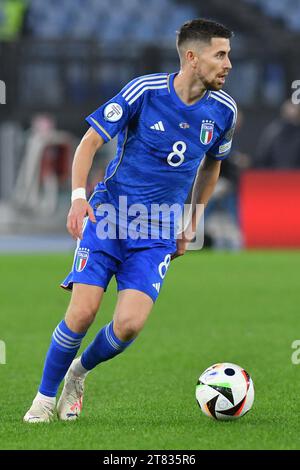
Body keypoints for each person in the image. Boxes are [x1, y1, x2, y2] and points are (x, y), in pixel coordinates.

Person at [23, 18, 237, 423]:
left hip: (158, 230)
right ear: (192, 58)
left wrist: (192, 220)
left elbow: (212, 167)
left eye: (228, 54)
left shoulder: (223, 111)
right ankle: (44, 399)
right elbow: (89, 142)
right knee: (83, 312)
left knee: (128, 326)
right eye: (220, 54)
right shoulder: (145, 91)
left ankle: (77, 373)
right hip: (110, 217)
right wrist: (77, 199)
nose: (228, 64)